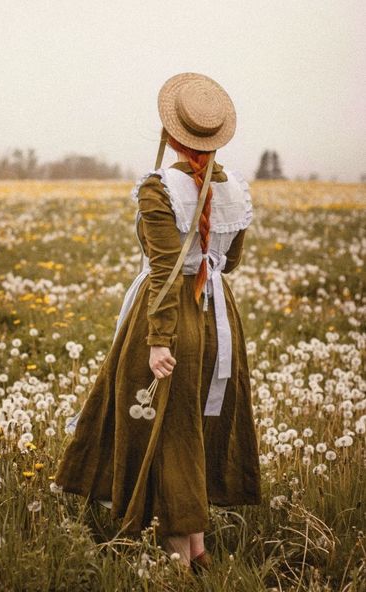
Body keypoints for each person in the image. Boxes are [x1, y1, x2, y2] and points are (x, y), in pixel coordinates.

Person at [54, 72, 262, 573]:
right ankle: (198, 550)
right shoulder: (233, 187)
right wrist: (204, 261)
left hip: (171, 317)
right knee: (193, 428)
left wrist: (158, 340)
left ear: (170, 134)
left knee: (168, 432)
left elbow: (166, 272)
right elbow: (229, 263)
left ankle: (177, 558)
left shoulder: (157, 188)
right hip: (218, 317)